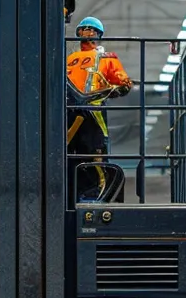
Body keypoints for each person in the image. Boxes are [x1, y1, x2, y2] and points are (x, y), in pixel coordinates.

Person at [65, 16, 132, 202]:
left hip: (92, 112)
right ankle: (74, 195)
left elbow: (123, 82)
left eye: (91, 30)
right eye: (84, 30)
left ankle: (94, 195)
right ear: (78, 34)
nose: (88, 33)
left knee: (94, 154)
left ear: (98, 35)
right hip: (69, 113)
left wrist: (118, 88)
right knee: (70, 155)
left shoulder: (106, 58)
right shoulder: (68, 60)